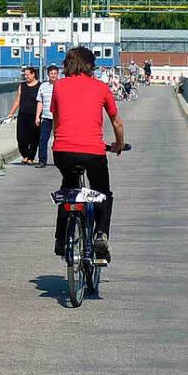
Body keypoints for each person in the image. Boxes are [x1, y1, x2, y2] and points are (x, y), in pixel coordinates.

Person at [50, 46, 124, 260]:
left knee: (68, 188)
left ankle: (61, 239)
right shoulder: (101, 87)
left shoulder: (59, 87)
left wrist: (61, 140)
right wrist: (119, 144)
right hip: (93, 152)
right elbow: (117, 123)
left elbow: (56, 120)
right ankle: (100, 234)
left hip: (63, 151)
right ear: (90, 66)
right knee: (102, 192)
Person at [7, 67, 41, 165]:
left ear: (33, 74)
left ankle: (30, 157)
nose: (26, 77)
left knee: (34, 138)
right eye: (24, 75)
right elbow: (17, 101)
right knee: (21, 138)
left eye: (27, 74)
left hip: (35, 115)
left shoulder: (40, 86)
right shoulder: (22, 86)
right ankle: (25, 155)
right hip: (23, 115)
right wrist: (11, 113)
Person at [35, 65, 59, 167]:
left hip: (58, 117)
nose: (53, 76)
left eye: (55, 73)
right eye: (51, 74)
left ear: (58, 74)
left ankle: (58, 161)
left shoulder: (62, 85)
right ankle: (42, 160)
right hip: (46, 117)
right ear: (48, 75)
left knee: (58, 140)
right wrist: (37, 116)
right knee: (43, 139)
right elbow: (40, 102)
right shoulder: (43, 86)